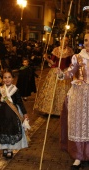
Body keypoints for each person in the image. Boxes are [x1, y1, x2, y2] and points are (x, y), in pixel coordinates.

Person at [58, 33, 89, 170]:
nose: (88, 42)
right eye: (86, 40)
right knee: (79, 124)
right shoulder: (77, 57)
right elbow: (70, 72)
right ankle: (78, 156)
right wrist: (61, 74)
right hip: (80, 96)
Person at [33, 37, 74, 115]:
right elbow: (52, 62)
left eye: (67, 41)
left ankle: (63, 110)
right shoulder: (56, 50)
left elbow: (71, 62)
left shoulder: (70, 51)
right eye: (63, 40)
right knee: (53, 90)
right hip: (55, 71)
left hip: (65, 72)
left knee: (64, 90)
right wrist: (46, 58)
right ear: (60, 41)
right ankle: (50, 110)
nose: (65, 42)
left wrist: (71, 67)